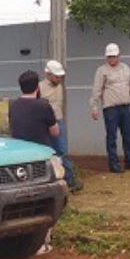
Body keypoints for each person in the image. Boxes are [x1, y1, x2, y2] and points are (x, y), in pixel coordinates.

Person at [8, 70, 60, 256]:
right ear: (37, 86)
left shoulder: (13, 106)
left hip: (18, 160)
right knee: (45, 199)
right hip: (40, 159)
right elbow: (55, 132)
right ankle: (42, 242)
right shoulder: (43, 106)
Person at [90, 43, 130, 173]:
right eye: (109, 57)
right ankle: (113, 163)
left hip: (125, 108)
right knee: (112, 136)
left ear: (119, 56)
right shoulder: (102, 71)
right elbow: (96, 91)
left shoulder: (125, 68)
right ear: (106, 57)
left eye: (114, 56)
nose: (112, 59)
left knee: (129, 135)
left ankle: (129, 161)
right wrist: (94, 107)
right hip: (110, 109)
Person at [39, 60, 80, 192]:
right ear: (48, 74)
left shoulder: (60, 86)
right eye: (57, 77)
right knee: (48, 152)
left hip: (58, 121)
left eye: (61, 77)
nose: (59, 79)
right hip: (45, 123)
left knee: (62, 151)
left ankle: (70, 180)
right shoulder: (39, 88)